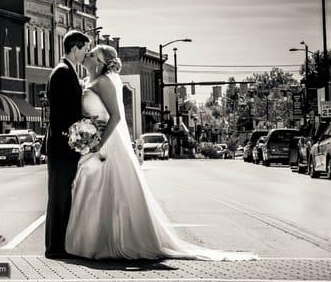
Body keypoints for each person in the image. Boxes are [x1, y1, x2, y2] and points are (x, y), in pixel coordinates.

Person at [65, 44, 257, 261]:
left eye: (91, 54)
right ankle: (91, 241)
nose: (87, 56)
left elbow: (116, 117)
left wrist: (99, 144)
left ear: (99, 63)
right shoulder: (87, 82)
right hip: (93, 141)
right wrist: (84, 132)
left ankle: (113, 241)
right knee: (91, 188)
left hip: (106, 144)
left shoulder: (104, 83)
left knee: (110, 190)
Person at [44, 30, 90, 259]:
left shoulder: (67, 71)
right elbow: (60, 114)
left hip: (66, 145)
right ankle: (55, 247)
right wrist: (75, 137)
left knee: (62, 195)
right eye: (84, 49)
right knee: (59, 195)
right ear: (75, 48)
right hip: (62, 146)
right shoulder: (62, 73)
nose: (85, 54)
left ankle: (58, 245)